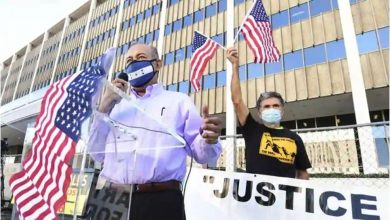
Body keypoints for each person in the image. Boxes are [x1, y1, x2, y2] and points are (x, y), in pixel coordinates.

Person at [88, 43, 222, 220]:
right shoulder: (115, 106)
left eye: (141, 58)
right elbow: (96, 152)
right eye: (129, 60)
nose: (134, 63)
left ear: (158, 64)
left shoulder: (179, 102)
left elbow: (202, 154)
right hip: (112, 198)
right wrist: (105, 105)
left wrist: (208, 139)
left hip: (160, 200)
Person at [226, 47, 311, 179]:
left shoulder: (294, 138)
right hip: (254, 198)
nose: (271, 109)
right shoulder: (252, 129)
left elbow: (302, 173)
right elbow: (237, 101)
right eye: (266, 106)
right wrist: (235, 66)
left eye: (276, 105)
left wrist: (302, 197)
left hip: (285, 198)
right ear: (259, 113)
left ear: (282, 110)